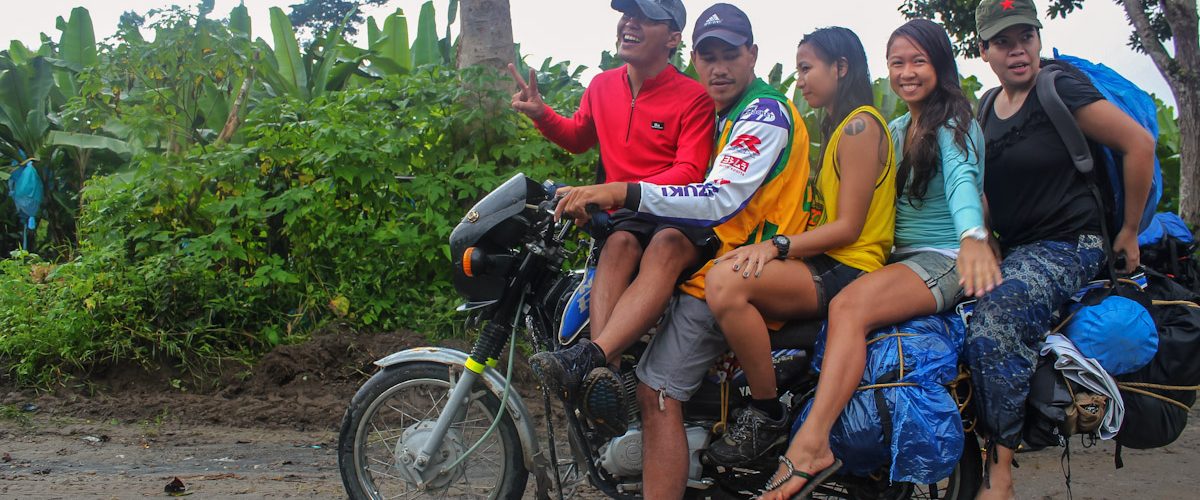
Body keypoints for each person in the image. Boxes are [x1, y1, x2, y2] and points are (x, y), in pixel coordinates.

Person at [554, 5, 813, 497]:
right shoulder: (722, 114)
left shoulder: (763, 113)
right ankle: (604, 366)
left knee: (657, 392)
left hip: (737, 269)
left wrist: (621, 192)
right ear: (694, 59)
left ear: (753, 55)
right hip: (723, 264)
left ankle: (596, 360)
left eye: (730, 56)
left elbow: (715, 196)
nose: (719, 68)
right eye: (708, 57)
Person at [755, 19, 1002, 499]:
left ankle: (811, 446)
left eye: (918, 61)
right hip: (897, 261)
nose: (907, 73)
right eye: (897, 63)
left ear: (940, 65)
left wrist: (974, 235)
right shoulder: (895, 128)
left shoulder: (955, 124)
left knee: (849, 307)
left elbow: (961, 182)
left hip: (943, 258)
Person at [965, 1, 1155, 498]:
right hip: (1017, 250)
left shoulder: (1059, 88)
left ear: (1038, 39)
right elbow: (984, 191)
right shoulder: (986, 108)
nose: (1017, 51)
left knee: (996, 319)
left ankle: (999, 471)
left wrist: (1129, 230)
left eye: (1025, 37)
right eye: (1003, 42)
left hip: (1072, 243)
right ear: (984, 50)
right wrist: (983, 239)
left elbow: (1138, 144)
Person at [509, 0, 715, 431]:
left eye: (644, 17)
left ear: (673, 38)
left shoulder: (693, 97)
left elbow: (690, 172)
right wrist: (542, 115)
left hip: (671, 213)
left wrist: (616, 192)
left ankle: (592, 360)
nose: (629, 22)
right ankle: (606, 376)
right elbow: (579, 136)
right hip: (623, 220)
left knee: (649, 241)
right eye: (626, 14)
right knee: (618, 243)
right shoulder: (602, 85)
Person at [700, 25, 897, 476]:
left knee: (726, 283)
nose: (801, 81)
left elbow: (849, 227)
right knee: (728, 266)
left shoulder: (860, 126)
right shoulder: (841, 126)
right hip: (829, 261)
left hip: (850, 267)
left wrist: (777, 246)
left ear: (840, 67)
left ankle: (766, 414)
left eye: (807, 69)